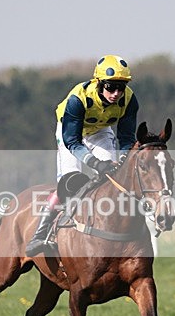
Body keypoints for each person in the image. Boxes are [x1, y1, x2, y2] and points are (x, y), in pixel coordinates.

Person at [25, 55, 139, 256]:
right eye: (110, 87)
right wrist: (94, 162)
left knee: (112, 175)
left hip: (100, 132)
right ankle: (41, 235)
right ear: (98, 83)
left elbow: (127, 137)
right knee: (70, 183)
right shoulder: (77, 99)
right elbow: (72, 142)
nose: (116, 93)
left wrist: (123, 158)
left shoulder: (129, 100)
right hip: (71, 134)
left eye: (121, 88)